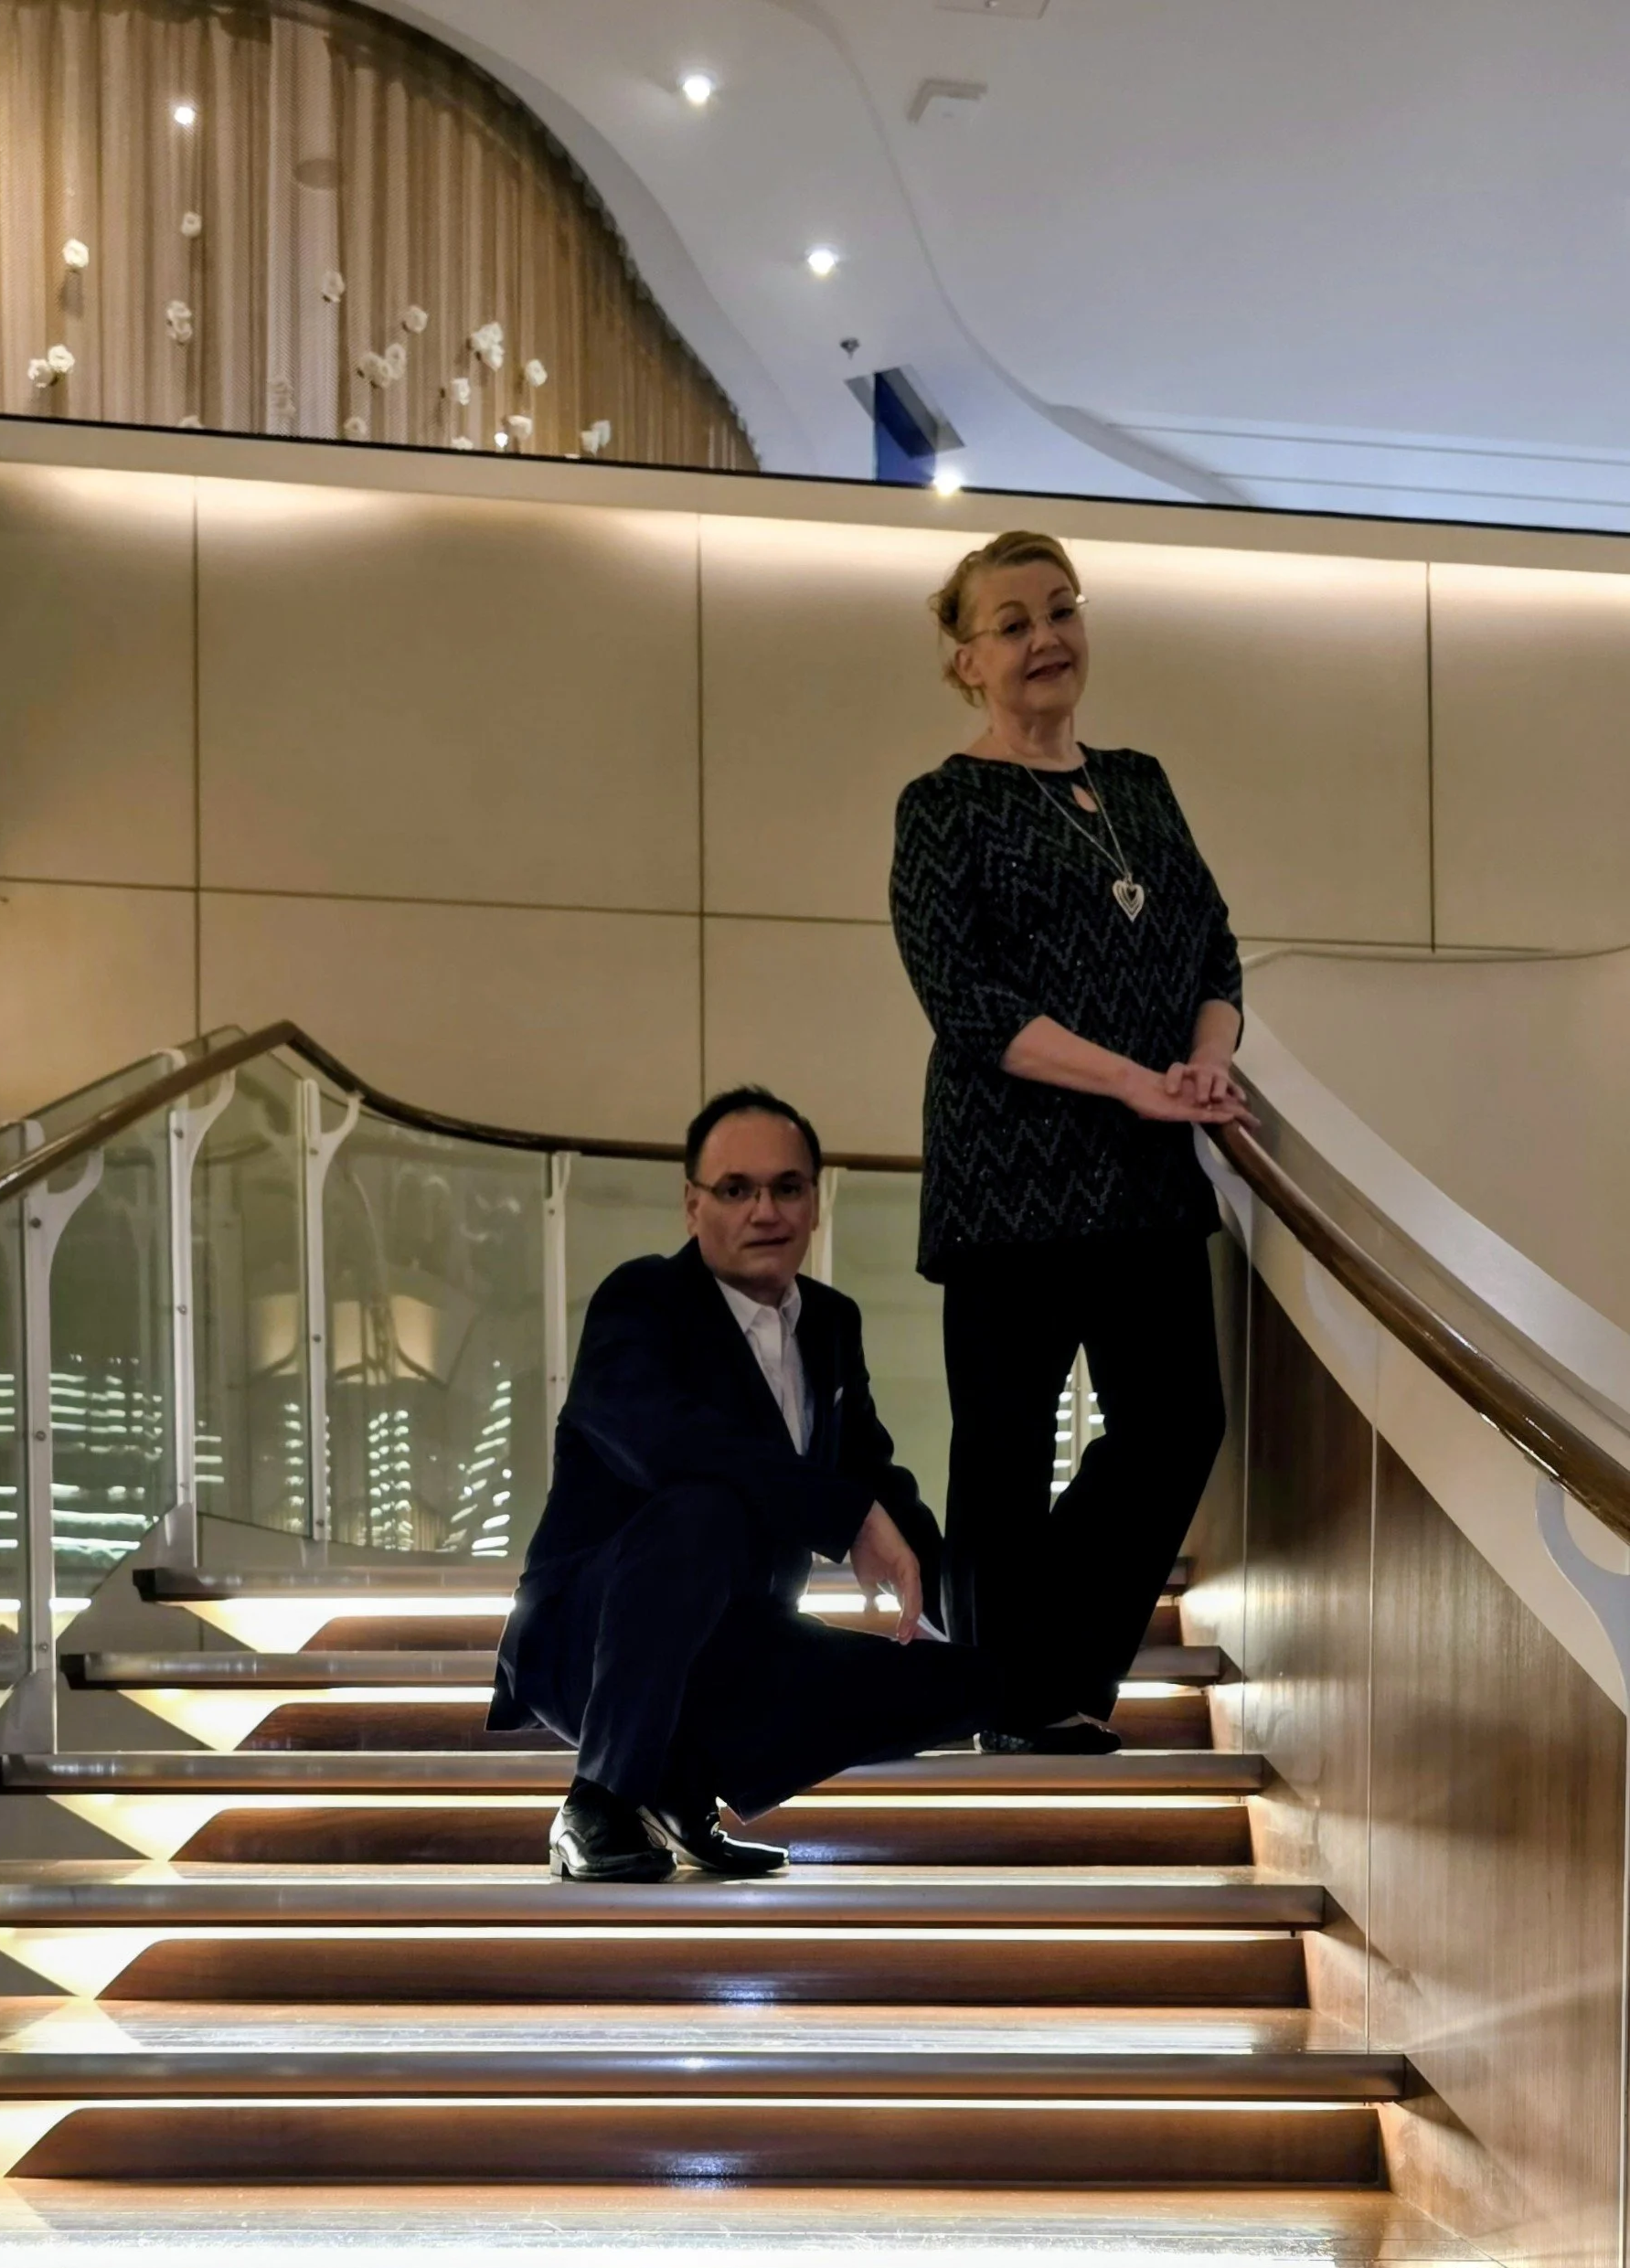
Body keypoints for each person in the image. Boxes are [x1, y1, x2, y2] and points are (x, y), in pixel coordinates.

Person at [489, 1087, 1060, 1884]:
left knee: (973, 1682)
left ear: (815, 1202)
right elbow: (665, 1441)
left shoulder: (830, 1323)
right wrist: (846, 1513)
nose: (766, 1209)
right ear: (692, 1206)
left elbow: (871, 1471)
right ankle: (598, 1801)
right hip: (591, 1636)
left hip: (735, 1645)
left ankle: (679, 1793)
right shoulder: (642, 1300)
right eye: (736, 1189)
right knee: (704, 1506)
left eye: (787, 1187)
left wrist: (943, 1607)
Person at [890, 527, 1252, 1753]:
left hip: (1145, 1179)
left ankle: (1048, 1673)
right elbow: (969, 1003)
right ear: (967, 661)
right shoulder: (943, 805)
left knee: (1176, 1424)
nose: (1046, 638)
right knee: (1002, 1452)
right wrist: (1134, 1083)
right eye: (1012, 623)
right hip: (1008, 1185)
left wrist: (1206, 1057)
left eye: (1061, 609)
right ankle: (1009, 1700)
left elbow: (1212, 950)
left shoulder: (1141, 781)